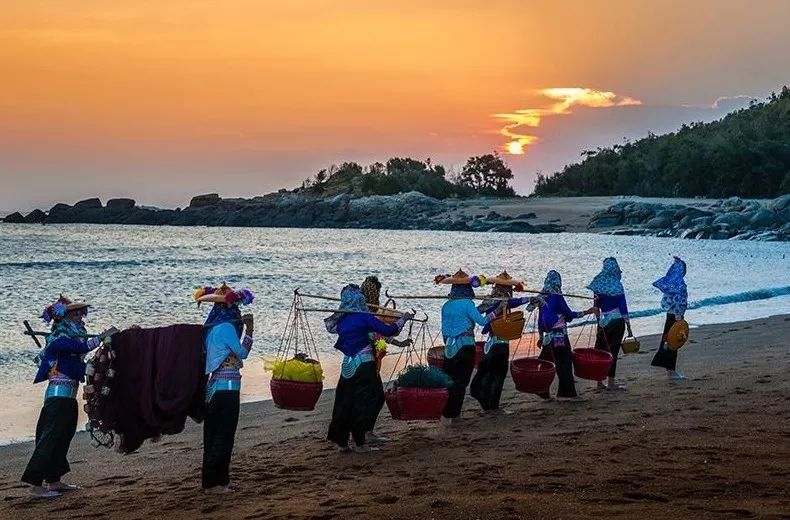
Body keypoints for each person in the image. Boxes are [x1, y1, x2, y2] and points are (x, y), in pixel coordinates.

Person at [22, 296, 117, 498]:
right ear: (66, 318)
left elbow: (78, 355)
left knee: (62, 437)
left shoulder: (70, 338)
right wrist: (101, 337)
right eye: (77, 315)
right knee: (50, 439)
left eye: (82, 314)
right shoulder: (59, 339)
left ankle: (54, 480)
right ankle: (35, 484)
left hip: (67, 397)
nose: (82, 318)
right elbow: (80, 348)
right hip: (57, 398)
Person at [325, 284, 413, 453]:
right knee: (365, 401)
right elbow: (388, 329)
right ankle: (360, 443)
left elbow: (371, 334)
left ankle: (342, 442)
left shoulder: (341, 320)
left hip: (347, 366)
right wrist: (404, 318)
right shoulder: (364, 317)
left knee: (345, 402)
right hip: (365, 364)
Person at [194, 283, 255, 494]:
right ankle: (215, 483)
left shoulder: (211, 329)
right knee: (224, 436)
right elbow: (242, 353)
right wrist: (250, 331)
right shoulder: (227, 328)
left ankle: (216, 480)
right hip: (227, 387)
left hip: (215, 386)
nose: (237, 309)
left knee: (213, 435)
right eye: (235, 305)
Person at [437, 270, 498, 425]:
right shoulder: (467, 303)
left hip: (449, 347)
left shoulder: (446, 306)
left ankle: (446, 413)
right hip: (465, 347)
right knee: (461, 382)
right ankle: (455, 416)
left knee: (449, 380)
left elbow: (444, 331)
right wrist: (496, 311)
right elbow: (482, 322)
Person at [358, 276, 411, 446]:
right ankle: (364, 433)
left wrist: (398, 343)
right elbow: (376, 334)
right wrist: (403, 320)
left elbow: (378, 336)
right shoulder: (365, 312)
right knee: (374, 397)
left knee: (372, 397)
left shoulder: (366, 310)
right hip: (365, 362)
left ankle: (366, 431)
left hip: (364, 361)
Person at [528, 271, 597, 400]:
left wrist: (541, 337)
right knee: (564, 362)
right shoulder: (557, 297)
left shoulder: (543, 297)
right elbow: (570, 316)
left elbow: (541, 320)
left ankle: (542, 390)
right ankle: (567, 394)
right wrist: (588, 311)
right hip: (559, 336)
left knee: (545, 363)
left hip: (548, 338)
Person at [470, 271, 523, 414]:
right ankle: (492, 405)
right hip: (500, 343)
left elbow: (476, 312)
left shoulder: (489, 300)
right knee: (498, 374)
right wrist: (533, 299)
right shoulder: (504, 300)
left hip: (490, 343)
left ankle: (480, 394)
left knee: (486, 370)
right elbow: (519, 301)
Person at [588, 258, 632, 391]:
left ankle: (599, 382)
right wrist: (629, 326)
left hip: (604, 321)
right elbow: (623, 308)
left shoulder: (597, 284)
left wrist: (599, 322)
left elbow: (596, 307)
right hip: (617, 321)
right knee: (612, 353)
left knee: (601, 352)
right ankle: (611, 383)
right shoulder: (617, 285)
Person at [650, 257, 688, 381]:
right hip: (676, 317)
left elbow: (666, 302)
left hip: (669, 315)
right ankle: (671, 372)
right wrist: (678, 318)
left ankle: (670, 370)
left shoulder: (670, 283)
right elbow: (678, 302)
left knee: (667, 341)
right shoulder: (679, 284)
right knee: (674, 342)